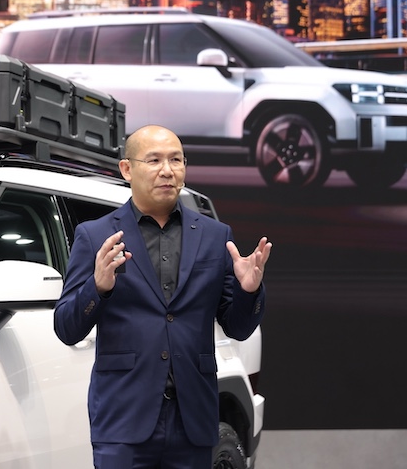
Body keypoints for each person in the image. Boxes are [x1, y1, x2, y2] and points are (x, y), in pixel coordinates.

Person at [54, 125, 272, 469]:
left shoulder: (215, 236)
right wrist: (97, 287)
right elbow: (67, 328)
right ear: (127, 169)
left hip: (193, 420)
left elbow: (238, 328)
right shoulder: (95, 235)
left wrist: (249, 290)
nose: (167, 170)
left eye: (176, 160)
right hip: (124, 420)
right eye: (154, 160)